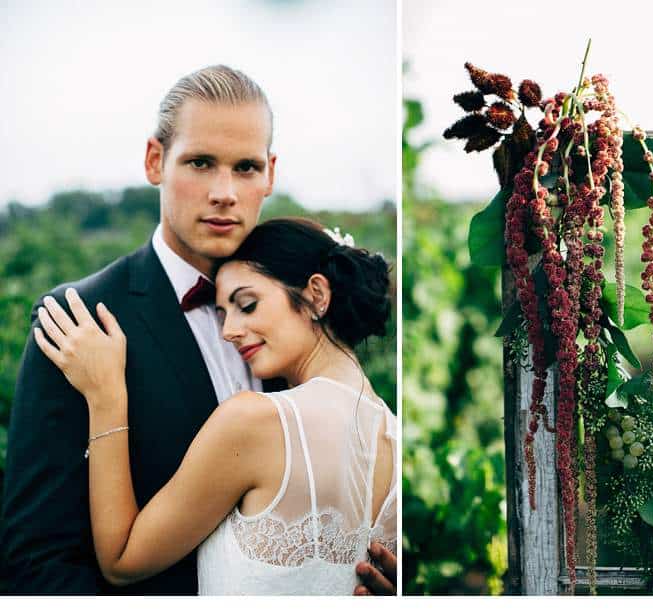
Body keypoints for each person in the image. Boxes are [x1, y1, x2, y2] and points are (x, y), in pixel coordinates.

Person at [0, 65, 396, 595]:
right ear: (155, 160)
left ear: (271, 174)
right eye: (201, 163)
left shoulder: (299, 316)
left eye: (247, 167)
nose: (224, 192)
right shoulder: (82, 319)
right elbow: (36, 562)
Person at [33, 218, 397, 595]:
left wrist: (106, 396)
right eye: (222, 314)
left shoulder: (254, 420)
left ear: (317, 295)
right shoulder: (395, 436)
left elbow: (122, 561)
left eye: (247, 305)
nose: (228, 331)